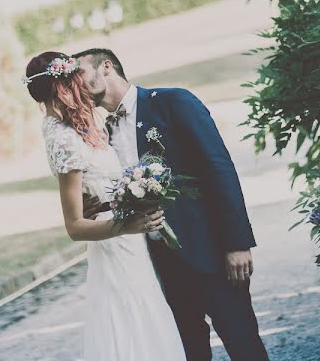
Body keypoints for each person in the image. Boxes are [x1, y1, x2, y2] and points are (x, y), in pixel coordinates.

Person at [76, 48, 269, 361]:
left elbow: (218, 168)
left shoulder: (173, 102)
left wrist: (237, 243)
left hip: (209, 253)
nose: (76, 86)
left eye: (80, 75)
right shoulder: (101, 136)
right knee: (187, 351)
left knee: (243, 342)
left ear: (106, 67)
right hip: (154, 266)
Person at [23, 51, 186, 361]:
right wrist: (127, 225)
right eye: (75, 79)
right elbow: (74, 226)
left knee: (146, 316)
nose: (83, 85)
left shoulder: (74, 127)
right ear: (64, 86)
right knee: (131, 321)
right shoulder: (63, 139)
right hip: (115, 245)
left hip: (129, 241)